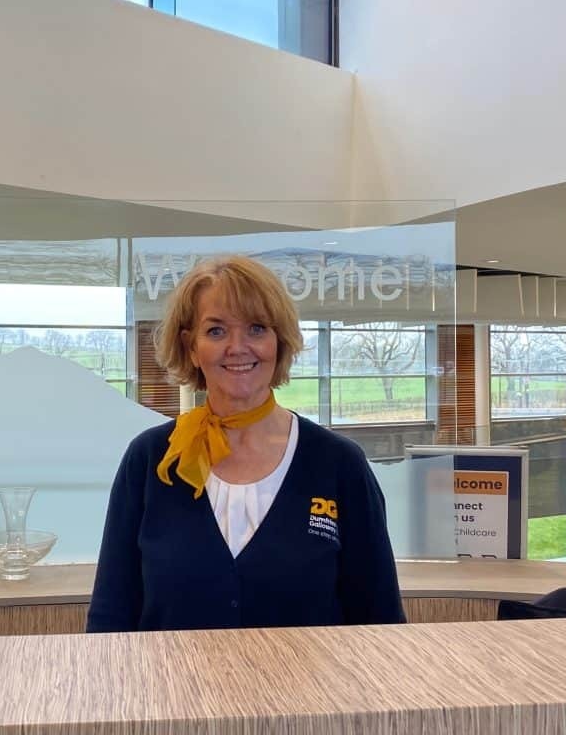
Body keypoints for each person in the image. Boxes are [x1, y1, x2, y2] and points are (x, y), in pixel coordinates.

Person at [86, 255, 405, 632]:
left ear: (279, 342)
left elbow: (380, 619)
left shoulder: (338, 463)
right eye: (216, 331)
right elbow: (110, 616)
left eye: (256, 329)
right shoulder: (151, 459)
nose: (238, 347)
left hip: (310, 692)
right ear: (191, 347)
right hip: (169, 691)